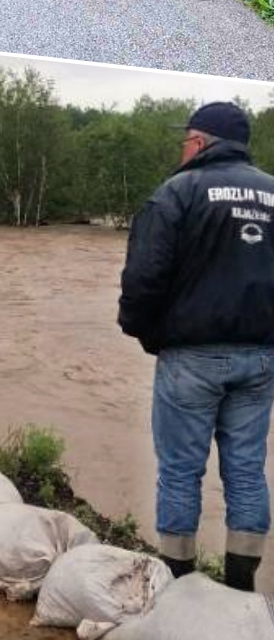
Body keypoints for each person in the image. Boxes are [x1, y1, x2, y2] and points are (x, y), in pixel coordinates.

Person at [117, 100, 273, 594]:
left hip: (191, 356)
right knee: (247, 470)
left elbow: (144, 277)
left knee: (181, 472)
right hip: (261, 357)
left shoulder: (177, 192)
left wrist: (145, 333)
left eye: (186, 138)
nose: (181, 146)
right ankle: (240, 589)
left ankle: (181, 587)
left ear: (202, 142)